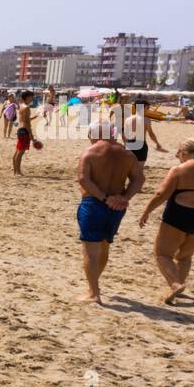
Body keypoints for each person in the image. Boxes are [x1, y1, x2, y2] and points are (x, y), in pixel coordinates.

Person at [137, 139, 194, 304]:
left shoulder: (178, 170)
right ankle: (178, 288)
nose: (176, 156)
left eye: (178, 153)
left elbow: (161, 194)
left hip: (178, 215)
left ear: (184, 153)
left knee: (162, 254)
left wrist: (146, 211)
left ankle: (175, 285)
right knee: (184, 256)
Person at [76, 128, 145, 303]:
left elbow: (83, 179)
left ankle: (93, 293)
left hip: (94, 204)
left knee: (91, 251)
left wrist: (104, 198)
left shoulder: (90, 153)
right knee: (105, 247)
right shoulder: (127, 154)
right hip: (117, 206)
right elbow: (139, 179)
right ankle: (94, 286)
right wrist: (125, 197)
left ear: (94, 135)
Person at [122, 98, 167, 166]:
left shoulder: (128, 119)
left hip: (130, 143)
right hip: (141, 144)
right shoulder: (146, 120)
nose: (148, 109)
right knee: (139, 168)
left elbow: (124, 134)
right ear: (143, 107)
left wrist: (126, 144)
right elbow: (151, 134)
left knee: (128, 167)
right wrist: (157, 143)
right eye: (148, 107)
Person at [12, 90, 38, 175]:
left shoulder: (21, 106)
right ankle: (18, 171)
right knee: (20, 152)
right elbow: (26, 123)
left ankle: (15, 171)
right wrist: (31, 134)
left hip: (20, 130)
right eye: (31, 97)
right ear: (27, 97)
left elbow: (24, 120)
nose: (32, 99)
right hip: (24, 131)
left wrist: (34, 117)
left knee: (17, 151)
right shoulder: (27, 107)